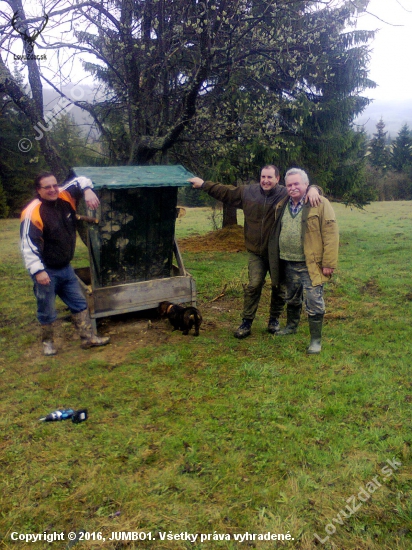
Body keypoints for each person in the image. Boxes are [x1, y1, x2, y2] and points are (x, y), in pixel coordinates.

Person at [189, 166, 321, 338]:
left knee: (279, 287)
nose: (265, 180)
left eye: (269, 177)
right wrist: (203, 184)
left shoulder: (284, 193)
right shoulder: (248, 192)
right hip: (255, 252)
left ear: (277, 178)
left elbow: (300, 188)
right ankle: (247, 321)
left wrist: (314, 189)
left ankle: (274, 319)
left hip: (276, 252)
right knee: (254, 284)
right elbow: (225, 192)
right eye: (263, 176)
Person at [20, 171, 110, 356]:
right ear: (38, 190)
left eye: (55, 185)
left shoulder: (65, 194)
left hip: (65, 267)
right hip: (46, 270)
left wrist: (87, 190)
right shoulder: (32, 212)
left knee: (79, 302)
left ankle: (88, 338)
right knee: (47, 308)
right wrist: (38, 271)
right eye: (47, 187)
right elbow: (28, 245)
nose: (53, 189)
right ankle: (48, 343)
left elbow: (80, 179)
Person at [268, 168, 339, 354]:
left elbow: (331, 234)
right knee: (292, 298)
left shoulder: (320, 203)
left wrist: (329, 263)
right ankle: (291, 327)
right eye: (289, 185)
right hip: (288, 262)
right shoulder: (282, 205)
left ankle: (316, 341)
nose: (292, 188)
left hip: (311, 264)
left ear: (306, 185)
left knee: (314, 301)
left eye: (296, 184)